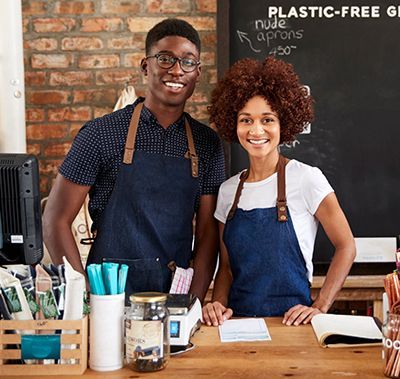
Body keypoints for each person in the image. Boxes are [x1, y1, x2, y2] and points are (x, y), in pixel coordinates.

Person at [42, 18, 225, 301]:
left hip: (173, 300)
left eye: (187, 62)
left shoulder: (207, 144)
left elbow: (207, 235)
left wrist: (192, 304)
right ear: (145, 66)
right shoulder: (100, 134)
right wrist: (84, 299)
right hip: (108, 297)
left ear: (197, 73)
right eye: (165, 59)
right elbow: (55, 220)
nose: (176, 70)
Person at [202, 57, 356, 326]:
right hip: (237, 326)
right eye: (246, 120)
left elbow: (347, 246)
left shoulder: (307, 179)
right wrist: (218, 304)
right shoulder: (228, 191)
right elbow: (225, 268)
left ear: (284, 123)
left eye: (268, 119)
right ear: (233, 124)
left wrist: (320, 306)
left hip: (292, 325)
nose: (256, 130)